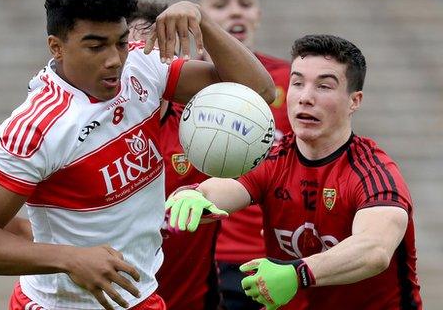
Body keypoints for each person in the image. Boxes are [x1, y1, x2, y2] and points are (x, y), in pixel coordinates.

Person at [0, 0, 275, 310]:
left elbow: (258, 91)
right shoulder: (35, 128)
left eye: (120, 42)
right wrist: (70, 259)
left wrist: (204, 22)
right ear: (56, 47)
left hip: (141, 296)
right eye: (95, 46)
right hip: (60, 304)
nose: (114, 60)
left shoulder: (141, 67)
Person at [166, 34, 422, 310]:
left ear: (354, 101)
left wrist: (297, 273)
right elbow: (223, 188)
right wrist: (195, 195)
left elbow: (374, 250)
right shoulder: (275, 158)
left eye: (324, 86)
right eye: (297, 83)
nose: (305, 98)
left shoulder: (374, 173)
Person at [189, 0, 292, 308]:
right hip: (198, 259)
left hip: (270, 260)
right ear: (199, 18)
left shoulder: (294, 83)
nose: (236, 11)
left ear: (258, 13)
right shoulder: (174, 83)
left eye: (245, 2)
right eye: (220, 4)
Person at [128, 0, 220, 310]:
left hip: (191, 301)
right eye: (131, 50)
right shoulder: (93, 127)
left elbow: (253, 88)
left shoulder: (205, 126)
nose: (142, 62)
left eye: (158, 49)